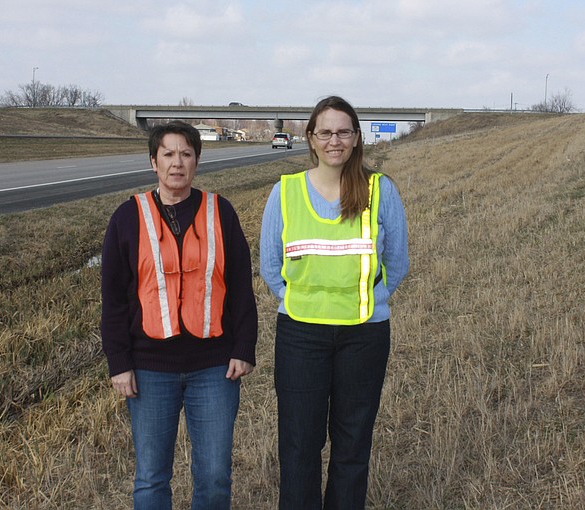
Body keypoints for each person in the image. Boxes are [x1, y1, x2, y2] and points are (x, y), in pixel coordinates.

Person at [260, 96, 409, 509]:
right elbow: (270, 266)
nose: (334, 140)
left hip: (364, 335)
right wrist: (301, 303)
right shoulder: (285, 191)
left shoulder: (381, 189)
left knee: (351, 446)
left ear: (357, 137)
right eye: (325, 132)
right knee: (299, 446)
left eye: (343, 131)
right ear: (310, 138)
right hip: (300, 336)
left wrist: (371, 301)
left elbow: (396, 263)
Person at [101, 120, 257, 509]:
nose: (177, 162)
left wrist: (244, 347)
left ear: (197, 161)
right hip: (150, 367)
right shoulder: (127, 216)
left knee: (215, 477)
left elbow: (240, 286)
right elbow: (114, 298)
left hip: (214, 367)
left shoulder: (220, 212)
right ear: (153, 162)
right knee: (151, 479)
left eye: (186, 154)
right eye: (168, 154)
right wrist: (119, 362)